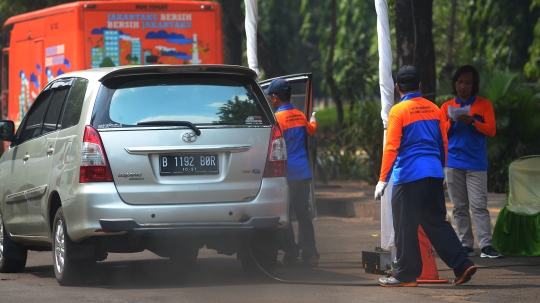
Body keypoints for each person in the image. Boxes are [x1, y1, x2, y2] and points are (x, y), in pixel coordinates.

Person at [375, 65, 476, 287]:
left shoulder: (398, 111)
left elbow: (391, 147)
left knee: (404, 225)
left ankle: (405, 275)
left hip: (409, 176)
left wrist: (383, 179)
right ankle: (462, 264)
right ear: (420, 85)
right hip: (432, 173)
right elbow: (444, 143)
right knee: (437, 223)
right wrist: (441, 169)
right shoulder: (434, 108)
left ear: (398, 87)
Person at [440, 65, 502, 259]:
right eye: (459, 82)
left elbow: (491, 130)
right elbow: (440, 134)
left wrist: (473, 122)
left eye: (467, 82)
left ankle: (486, 246)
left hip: (476, 163)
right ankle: (465, 245)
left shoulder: (484, 105)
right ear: (455, 84)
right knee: (458, 207)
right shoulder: (446, 107)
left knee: (479, 206)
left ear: (474, 85)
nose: (463, 86)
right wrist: (451, 121)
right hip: (453, 162)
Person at [265, 78, 319, 268]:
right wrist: (313, 120)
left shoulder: (277, 119)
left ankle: (291, 254)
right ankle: (310, 253)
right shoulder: (299, 115)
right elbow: (311, 131)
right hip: (304, 172)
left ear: (275, 98)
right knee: (304, 214)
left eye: (270, 97)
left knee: (284, 216)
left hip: (287, 175)